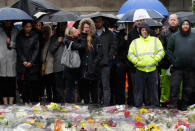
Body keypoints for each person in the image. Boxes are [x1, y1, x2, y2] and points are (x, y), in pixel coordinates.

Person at [127, 23, 165, 108]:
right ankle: (138, 107)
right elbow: (130, 54)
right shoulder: (135, 42)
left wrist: (155, 60)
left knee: (154, 91)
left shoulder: (155, 40)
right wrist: (137, 62)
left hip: (153, 69)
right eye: (142, 30)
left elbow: (161, 51)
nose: (144, 31)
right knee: (139, 91)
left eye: (145, 30)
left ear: (148, 30)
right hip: (140, 70)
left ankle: (155, 107)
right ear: (140, 31)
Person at [167, 19, 195, 111]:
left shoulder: (194, 36)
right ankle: (173, 106)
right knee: (175, 87)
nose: (185, 26)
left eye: (187, 24)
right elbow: (169, 50)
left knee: (188, 89)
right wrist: (174, 61)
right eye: (184, 24)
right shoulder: (174, 37)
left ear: (189, 26)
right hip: (177, 68)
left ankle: (184, 106)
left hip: (190, 68)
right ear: (181, 26)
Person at [78, 18, 103, 104]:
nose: (86, 29)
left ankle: (95, 111)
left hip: (94, 71)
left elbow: (99, 55)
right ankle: (86, 112)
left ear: (91, 27)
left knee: (94, 93)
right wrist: (83, 37)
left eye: (88, 27)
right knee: (85, 93)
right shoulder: (80, 38)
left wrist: (93, 65)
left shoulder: (96, 38)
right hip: (83, 70)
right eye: (84, 27)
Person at [93, 16, 117, 106]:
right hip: (95, 63)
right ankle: (97, 103)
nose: (97, 23)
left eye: (99, 21)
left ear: (102, 22)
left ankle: (106, 104)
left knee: (105, 85)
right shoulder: (92, 34)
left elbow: (113, 46)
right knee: (96, 85)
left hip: (105, 63)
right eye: (96, 22)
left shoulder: (109, 34)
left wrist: (109, 57)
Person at [16, 21, 40, 105]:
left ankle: (31, 101)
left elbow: (36, 50)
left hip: (32, 65)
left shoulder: (35, 36)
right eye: (26, 26)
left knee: (32, 84)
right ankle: (24, 101)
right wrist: (24, 61)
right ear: (23, 27)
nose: (28, 28)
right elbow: (18, 49)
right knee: (23, 84)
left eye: (30, 26)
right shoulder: (19, 36)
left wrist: (31, 61)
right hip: (22, 64)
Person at [159, 14, 179, 105]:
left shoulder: (181, 32)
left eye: (174, 19)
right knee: (165, 83)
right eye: (171, 19)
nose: (173, 21)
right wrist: (169, 56)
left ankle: (178, 100)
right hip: (166, 62)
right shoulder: (164, 33)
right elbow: (162, 47)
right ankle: (164, 100)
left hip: (179, 61)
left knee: (178, 83)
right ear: (168, 21)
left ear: (178, 21)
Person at [63, 27, 86, 103]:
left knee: (74, 86)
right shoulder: (68, 41)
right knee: (69, 86)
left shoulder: (74, 39)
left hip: (75, 67)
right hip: (69, 67)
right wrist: (82, 37)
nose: (77, 32)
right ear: (71, 34)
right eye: (75, 31)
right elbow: (81, 46)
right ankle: (69, 102)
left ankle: (74, 101)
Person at [0, 21, 18, 104]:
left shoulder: (16, 31)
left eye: (9, 21)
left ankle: (11, 103)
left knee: (11, 82)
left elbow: (19, 45)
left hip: (12, 59)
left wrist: (10, 43)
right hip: (2, 59)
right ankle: (5, 103)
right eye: (6, 21)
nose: (7, 22)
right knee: (3, 82)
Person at [49, 22, 67, 103]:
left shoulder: (69, 36)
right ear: (59, 26)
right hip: (58, 65)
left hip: (68, 65)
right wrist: (58, 41)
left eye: (64, 25)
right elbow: (51, 50)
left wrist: (65, 40)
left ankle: (67, 102)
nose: (63, 26)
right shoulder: (53, 37)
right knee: (58, 87)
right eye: (61, 25)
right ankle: (61, 102)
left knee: (68, 87)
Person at [40, 25, 55, 102]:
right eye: (44, 31)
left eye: (47, 31)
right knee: (43, 85)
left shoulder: (52, 41)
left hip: (50, 66)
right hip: (43, 66)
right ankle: (45, 100)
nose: (45, 33)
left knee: (49, 85)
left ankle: (50, 100)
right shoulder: (42, 41)